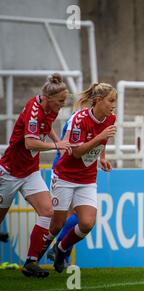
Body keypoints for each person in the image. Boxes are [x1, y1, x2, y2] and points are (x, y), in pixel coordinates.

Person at [0, 73, 71, 277]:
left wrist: (59, 144)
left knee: (48, 212)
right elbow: (30, 142)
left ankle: (31, 262)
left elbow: (46, 127)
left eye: (64, 101)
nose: (62, 105)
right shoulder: (34, 111)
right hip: (10, 172)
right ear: (48, 98)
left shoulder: (50, 108)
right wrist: (57, 145)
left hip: (30, 171)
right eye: (60, 101)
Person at [47, 82, 116, 273]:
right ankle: (43, 254)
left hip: (85, 174)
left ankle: (60, 250)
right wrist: (99, 138)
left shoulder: (109, 118)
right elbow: (75, 152)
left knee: (81, 219)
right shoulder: (79, 119)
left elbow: (103, 139)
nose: (114, 105)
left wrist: (102, 157)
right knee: (65, 218)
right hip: (65, 170)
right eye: (111, 100)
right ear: (99, 100)